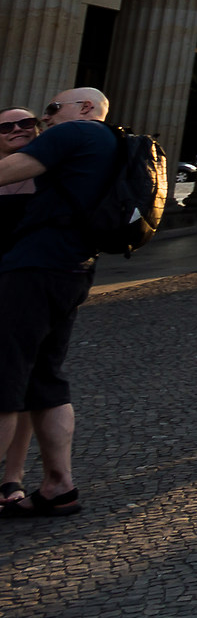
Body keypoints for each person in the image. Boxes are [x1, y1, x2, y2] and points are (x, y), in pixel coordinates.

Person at [0, 86, 120, 516]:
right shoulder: (109, 142)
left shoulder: (74, 133)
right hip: (73, 267)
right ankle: (58, 486)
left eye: (51, 110)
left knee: (5, 375)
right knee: (45, 380)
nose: (44, 120)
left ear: (85, 108)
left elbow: (9, 170)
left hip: (35, 265)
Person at [0, 107, 43, 511]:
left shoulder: (50, 178)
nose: (17, 130)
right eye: (7, 126)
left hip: (31, 288)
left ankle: (13, 476)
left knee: (23, 386)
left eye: (27, 123)